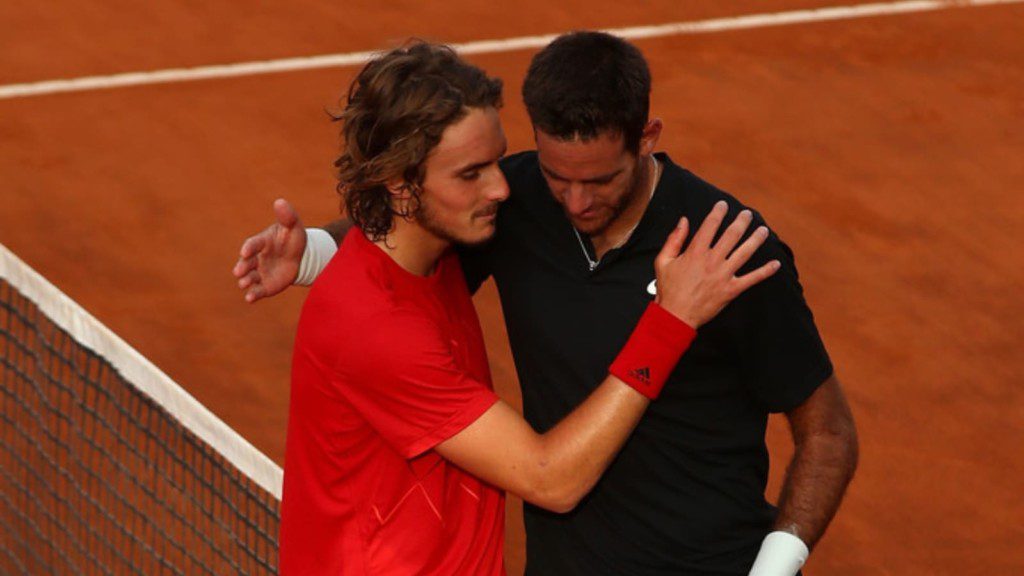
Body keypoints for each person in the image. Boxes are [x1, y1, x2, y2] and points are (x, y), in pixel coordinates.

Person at [235, 33, 859, 576]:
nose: (577, 202)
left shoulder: (727, 248)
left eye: (601, 180)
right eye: (559, 177)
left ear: (647, 138)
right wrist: (318, 253)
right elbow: (413, 229)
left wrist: (773, 569)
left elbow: (827, 431)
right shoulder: (517, 204)